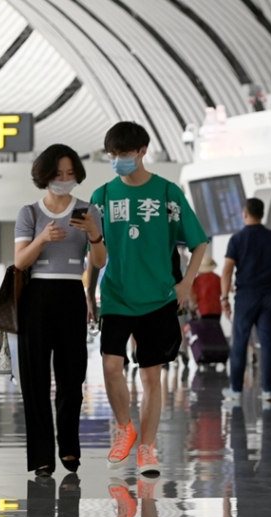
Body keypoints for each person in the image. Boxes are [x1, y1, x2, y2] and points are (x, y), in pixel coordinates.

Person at [91, 121, 208, 476]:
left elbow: (199, 240)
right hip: (115, 295)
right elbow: (95, 256)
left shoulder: (168, 194)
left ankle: (147, 448)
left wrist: (186, 283)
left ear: (142, 152)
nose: (118, 160)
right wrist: (88, 293)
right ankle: (125, 428)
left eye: (124, 154)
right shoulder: (103, 197)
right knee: (111, 366)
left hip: (158, 297)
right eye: (113, 155)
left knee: (151, 377)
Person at [13, 145, 106, 477]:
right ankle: (41, 455)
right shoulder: (30, 213)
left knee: (72, 376)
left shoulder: (87, 210)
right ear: (45, 176)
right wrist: (42, 239)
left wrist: (95, 234)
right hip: (37, 295)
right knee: (34, 378)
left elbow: (99, 262)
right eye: (58, 174)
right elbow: (20, 262)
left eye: (70, 174)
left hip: (70, 292)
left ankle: (69, 446)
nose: (65, 180)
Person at [222, 198, 271, 401]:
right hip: (270, 297)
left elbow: (227, 270)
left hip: (245, 297)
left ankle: (236, 390)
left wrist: (224, 297)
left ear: (245, 213)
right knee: (268, 344)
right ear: (262, 214)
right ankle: (268, 391)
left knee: (240, 343)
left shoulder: (238, 239)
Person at [192, 254, 221, 319]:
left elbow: (194, 297)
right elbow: (222, 291)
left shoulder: (197, 280)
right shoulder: (218, 278)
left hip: (203, 310)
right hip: (217, 310)